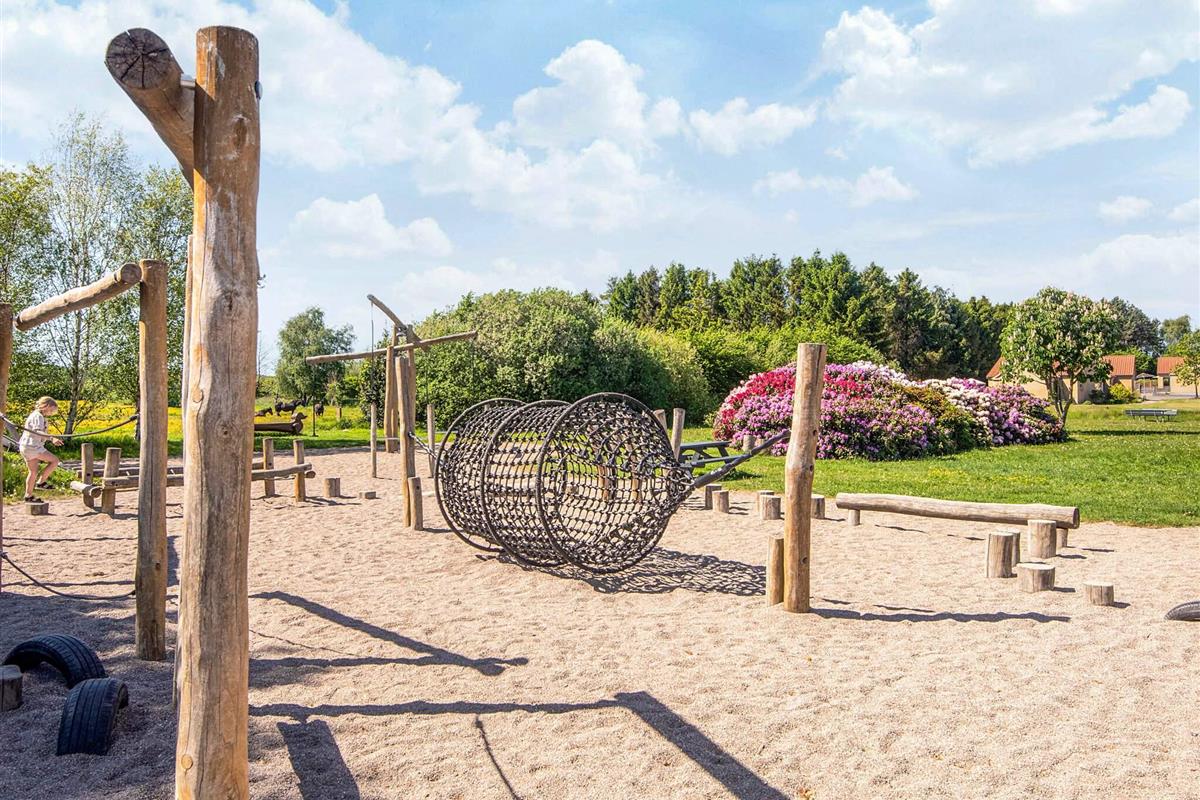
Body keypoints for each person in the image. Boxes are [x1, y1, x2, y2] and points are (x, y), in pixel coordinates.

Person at [18, 396, 64, 502]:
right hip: (32, 447)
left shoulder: (39, 416)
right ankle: (41, 482)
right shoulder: (37, 416)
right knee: (55, 461)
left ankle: (28, 496)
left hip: (27, 446)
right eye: (51, 410)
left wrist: (49, 438)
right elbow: (37, 431)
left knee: (33, 472)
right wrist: (52, 439)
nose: (51, 413)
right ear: (46, 406)